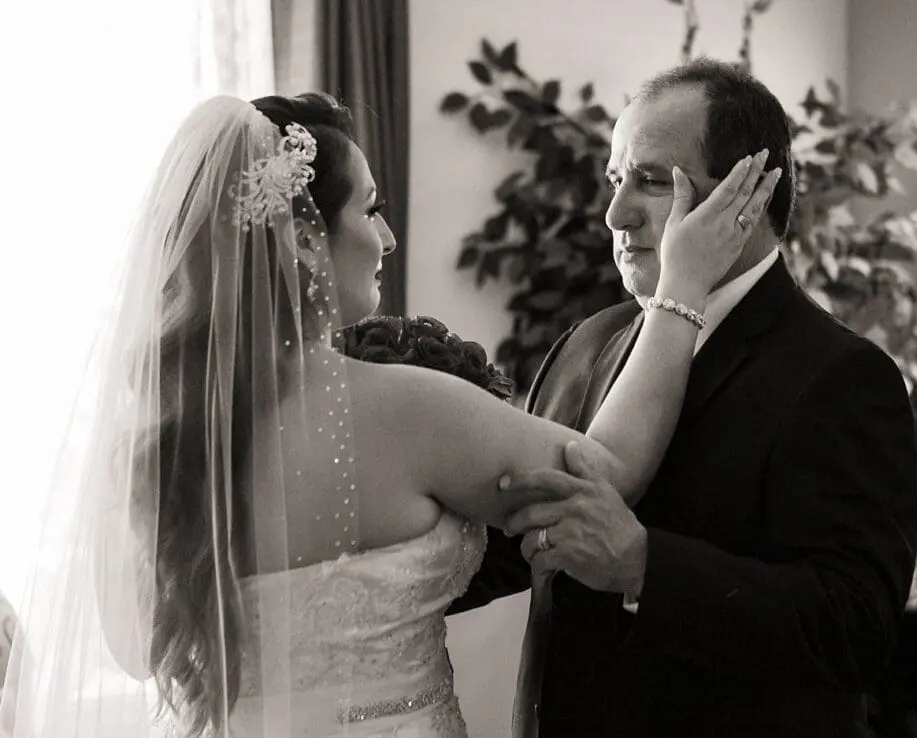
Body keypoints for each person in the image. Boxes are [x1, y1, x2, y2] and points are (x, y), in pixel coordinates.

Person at [0, 90, 776, 737]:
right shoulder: (401, 408)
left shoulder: (153, 445)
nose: (387, 237)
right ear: (303, 243)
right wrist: (681, 289)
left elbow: (134, 651)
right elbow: (604, 472)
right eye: (369, 210)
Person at [453, 58, 917, 738]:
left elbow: (856, 627)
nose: (615, 214)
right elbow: (514, 537)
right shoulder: (585, 344)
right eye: (615, 180)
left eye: (650, 181)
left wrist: (644, 566)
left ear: (746, 196)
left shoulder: (842, 375)